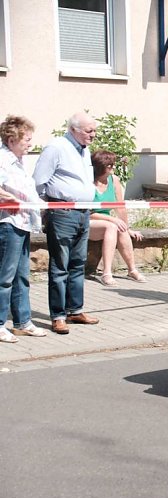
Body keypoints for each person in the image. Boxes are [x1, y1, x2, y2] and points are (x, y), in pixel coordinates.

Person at [33, 111, 100, 335]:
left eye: (94, 130)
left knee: (78, 263)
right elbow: (39, 181)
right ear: (73, 129)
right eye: (89, 131)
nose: (93, 135)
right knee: (60, 265)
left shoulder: (83, 149)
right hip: (62, 212)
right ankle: (58, 316)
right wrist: (51, 206)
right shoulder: (56, 147)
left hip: (82, 212)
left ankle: (74, 310)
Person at [0, 115, 47, 342]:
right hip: (8, 224)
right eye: (26, 139)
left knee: (21, 276)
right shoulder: (2, 159)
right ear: (12, 140)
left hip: (23, 223)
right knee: (5, 277)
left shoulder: (17, 161)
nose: (30, 144)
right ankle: (0, 325)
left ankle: (22, 322)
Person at [88, 150, 146, 285]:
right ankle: (106, 273)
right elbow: (87, 211)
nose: (113, 167)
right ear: (101, 167)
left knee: (120, 228)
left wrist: (127, 227)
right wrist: (113, 219)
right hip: (90, 220)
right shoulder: (89, 182)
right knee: (112, 225)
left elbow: (120, 207)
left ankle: (132, 269)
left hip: (107, 220)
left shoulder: (114, 180)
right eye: (110, 165)